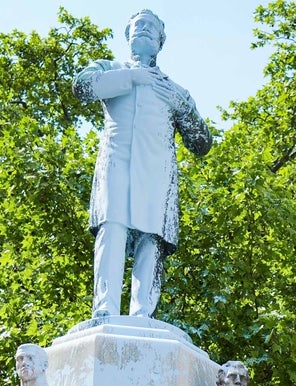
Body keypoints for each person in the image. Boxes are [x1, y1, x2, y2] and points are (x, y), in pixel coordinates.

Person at [72, 9, 212, 320]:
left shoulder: (174, 90)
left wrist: (184, 108)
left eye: (151, 27)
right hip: (116, 164)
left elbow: (201, 143)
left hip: (157, 173)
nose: (145, 29)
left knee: (152, 239)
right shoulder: (111, 69)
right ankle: (105, 308)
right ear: (128, 37)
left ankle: (142, 314)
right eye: (138, 25)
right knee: (112, 229)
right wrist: (131, 77)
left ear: (161, 41)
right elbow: (81, 86)